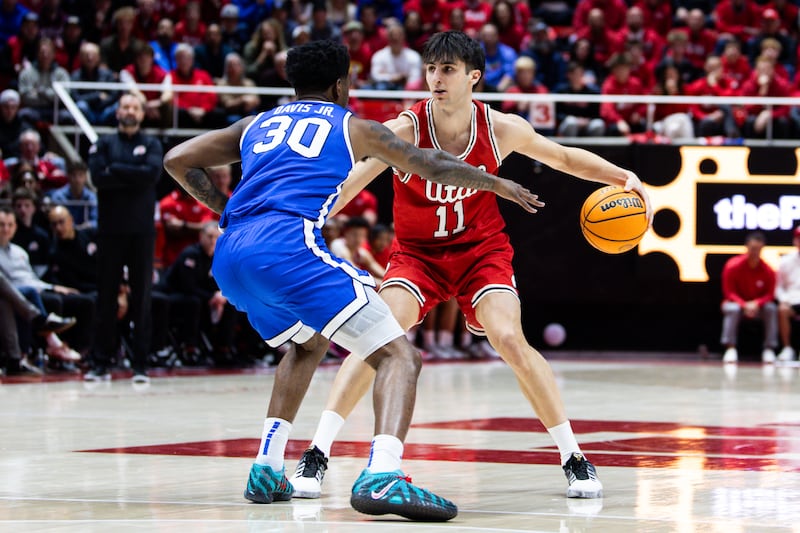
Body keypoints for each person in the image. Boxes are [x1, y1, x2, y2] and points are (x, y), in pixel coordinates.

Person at [162, 39, 541, 521]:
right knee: (399, 354)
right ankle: (383, 475)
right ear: (342, 84)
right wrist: (493, 182)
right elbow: (429, 162)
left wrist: (229, 212)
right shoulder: (350, 124)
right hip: (287, 247)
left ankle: (266, 466)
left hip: (232, 253)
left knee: (306, 343)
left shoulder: (254, 123)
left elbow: (177, 158)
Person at [289, 31, 651, 503]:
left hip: (481, 252)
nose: (435, 79)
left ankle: (573, 456)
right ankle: (316, 452)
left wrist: (622, 175)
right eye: (431, 70)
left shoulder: (500, 128)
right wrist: (301, 218)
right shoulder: (404, 129)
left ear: (473, 76)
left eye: (448, 70)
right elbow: (352, 183)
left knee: (508, 337)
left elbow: (563, 158)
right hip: (418, 256)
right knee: (379, 330)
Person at [86, 93, 163, 383]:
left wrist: (116, 170)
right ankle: (99, 362)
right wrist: (133, 174)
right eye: (125, 106)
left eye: (134, 107)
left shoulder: (153, 143)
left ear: (142, 113)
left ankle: (140, 364)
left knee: (141, 297)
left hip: (141, 231)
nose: (129, 111)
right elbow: (98, 177)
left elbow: (152, 174)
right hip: (110, 231)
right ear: (117, 112)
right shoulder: (103, 142)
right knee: (105, 296)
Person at [720, 231, 779, 364]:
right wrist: (744, 304)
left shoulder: (768, 270)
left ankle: (769, 348)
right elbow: (729, 292)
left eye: (758, 249)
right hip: (737, 305)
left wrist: (757, 303)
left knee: (771, 308)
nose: (755, 252)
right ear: (747, 247)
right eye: (752, 248)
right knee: (733, 309)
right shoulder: (732, 266)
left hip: (757, 308)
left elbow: (770, 294)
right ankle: (730, 348)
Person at [47, 160, 98, 230]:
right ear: (68, 176)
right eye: (74, 175)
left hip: (86, 234)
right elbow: (56, 220)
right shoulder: (58, 196)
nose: (77, 180)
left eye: (80, 175)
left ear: (85, 177)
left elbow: (95, 220)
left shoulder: (91, 197)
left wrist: (86, 226)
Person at [775, 226, 800, 362]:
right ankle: (787, 348)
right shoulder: (785, 260)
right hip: (791, 301)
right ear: (795, 241)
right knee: (782, 309)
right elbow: (779, 287)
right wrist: (784, 299)